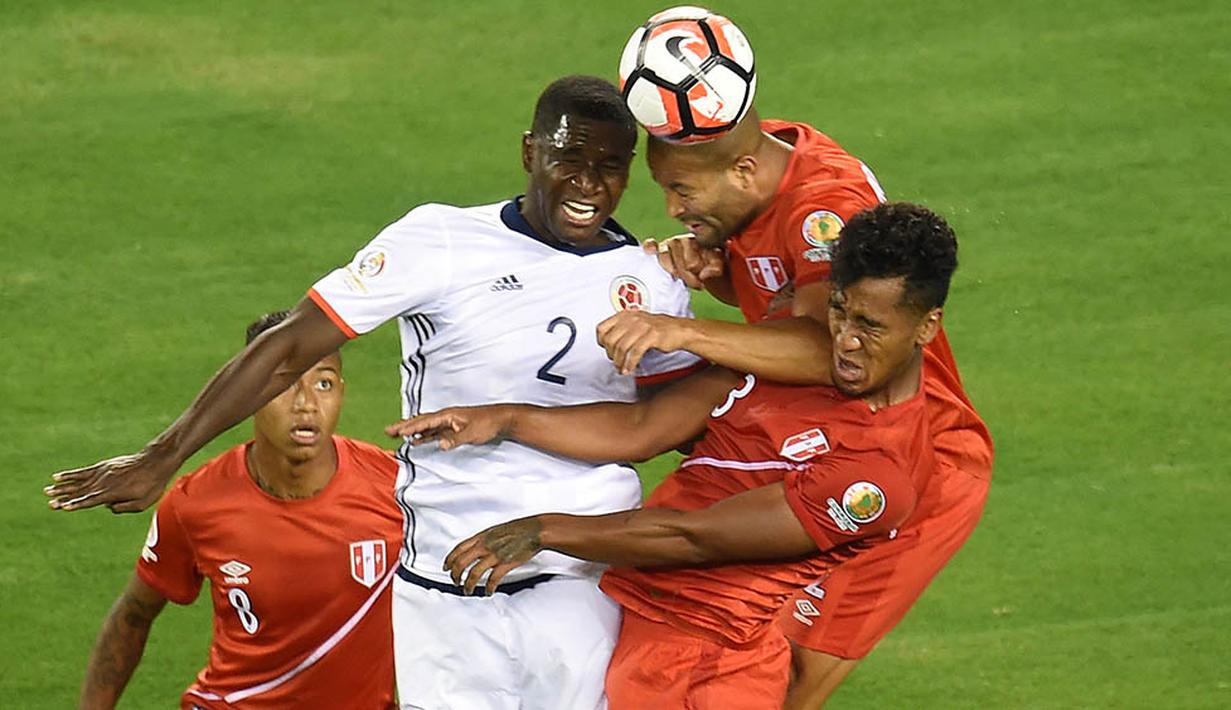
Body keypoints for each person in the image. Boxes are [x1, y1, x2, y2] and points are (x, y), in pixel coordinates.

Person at [48, 76, 703, 710]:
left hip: (579, 586)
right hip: (447, 597)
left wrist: (718, 279)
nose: (589, 183)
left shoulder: (651, 279)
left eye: (610, 167)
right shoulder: (442, 241)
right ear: (530, 151)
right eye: (569, 158)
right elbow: (287, 349)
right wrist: (164, 455)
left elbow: (677, 428)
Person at [390, 202, 956, 709]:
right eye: (839, 311)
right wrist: (506, 420)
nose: (845, 340)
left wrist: (546, 530)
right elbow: (643, 428)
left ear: (927, 327)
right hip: (645, 641)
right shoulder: (785, 368)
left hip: (707, 672)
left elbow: (696, 536)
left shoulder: (878, 476)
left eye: (871, 326)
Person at [595, 105, 994, 705]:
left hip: (913, 461)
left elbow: (823, 350)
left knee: (790, 675)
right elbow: (784, 294)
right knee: (735, 642)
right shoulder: (761, 164)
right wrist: (720, 272)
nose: (672, 208)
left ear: (742, 169)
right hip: (818, 443)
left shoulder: (821, 209)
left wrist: (682, 331)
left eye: (681, 190)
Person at [78, 311, 402, 709]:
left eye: (323, 383)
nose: (306, 404)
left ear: (341, 392)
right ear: (247, 394)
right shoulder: (197, 503)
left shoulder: (397, 488)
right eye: (285, 384)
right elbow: (134, 615)